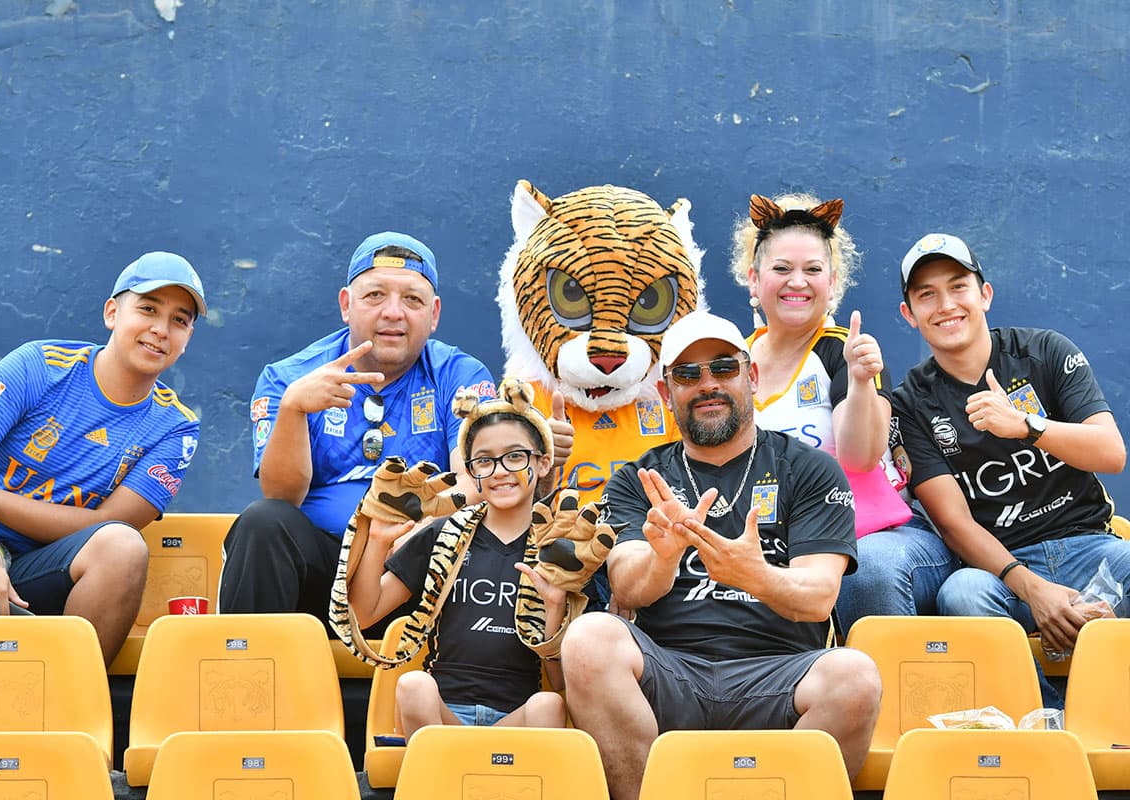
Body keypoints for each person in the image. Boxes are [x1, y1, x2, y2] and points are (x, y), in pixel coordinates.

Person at [561, 310, 881, 799]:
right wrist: (664, 557)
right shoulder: (638, 478)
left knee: (855, 676)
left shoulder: (810, 469)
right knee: (588, 640)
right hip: (670, 669)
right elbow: (625, 586)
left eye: (724, 368)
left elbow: (818, 597)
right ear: (667, 394)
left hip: (779, 674)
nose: (707, 384)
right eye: (688, 374)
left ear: (750, 376)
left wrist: (753, 575)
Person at [0, 251, 206, 665]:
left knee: (122, 548)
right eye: (147, 309)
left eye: (179, 320)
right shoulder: (39, 365)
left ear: (186, 341)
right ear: (112, 312)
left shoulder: (175, 426)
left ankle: (69, 706)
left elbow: (109, 523)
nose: (160, 329)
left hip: (43, 571)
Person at [217, 232, 501, 635]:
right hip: (319, 573)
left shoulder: (460, 375)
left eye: (412, 300)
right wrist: (293, 410)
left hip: (414, 571)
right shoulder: (290, 378)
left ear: (434, 314)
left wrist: (416, 537)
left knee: (470, 537)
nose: (393, 313)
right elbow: (281, 496)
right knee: (263, 523)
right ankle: (252, 682)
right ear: (346, 305)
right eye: (375, 296)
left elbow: (474, 482)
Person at [892, 232, 1129, 707]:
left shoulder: (1044, 351)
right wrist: (1035, 589)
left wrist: (1026, 425)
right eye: (926, 295)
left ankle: (1107, 712)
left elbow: (1111, 453)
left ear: (985, 294)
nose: (945, 305)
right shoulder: (911, 403)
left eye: (958, 287)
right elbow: (953, 522)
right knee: (960, 595)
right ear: (909, 315)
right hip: (1001, 567)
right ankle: (1048, 722)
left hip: (1091, 546)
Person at [729, 193, 956, 633]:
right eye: (782, 269)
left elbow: (859, 457)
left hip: (878, 537)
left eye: (813, 270)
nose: (798, 281)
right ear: (754, 281)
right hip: (778, 537)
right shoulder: (731, 359)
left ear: (832, 284)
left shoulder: (845, 352)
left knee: (866, 567)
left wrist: (857, 380)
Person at [347, 381, 575, 736]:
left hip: (516, 721)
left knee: (550, 705)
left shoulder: (556, 548)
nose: (500, 471)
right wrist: (377, 541)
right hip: (442, 715)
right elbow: (363, 613)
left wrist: (555, 609)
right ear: (471, 471)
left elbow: (561, 681)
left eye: (515, 456)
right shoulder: (444, 534)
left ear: (543, 463)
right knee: (413, 686)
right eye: (485, 461)